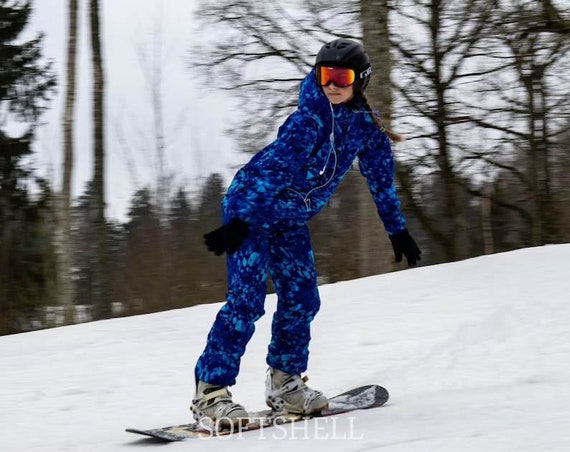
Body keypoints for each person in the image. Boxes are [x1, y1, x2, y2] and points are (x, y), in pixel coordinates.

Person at [190, 38, 421, 428]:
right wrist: (242, 222)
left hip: (290, 218)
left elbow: (381, 179)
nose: (332, 84)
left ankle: (286, 384)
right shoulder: (309, 119)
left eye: (341, 77)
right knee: (247, 301)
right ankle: (210, 393)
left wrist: (397, 230)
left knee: (302, 298)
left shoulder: (366, 126)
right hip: (251, 206)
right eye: (325, 75)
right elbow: (272, 173)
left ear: (359, 80)